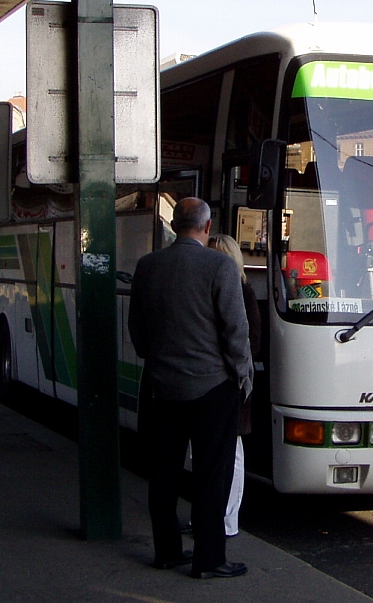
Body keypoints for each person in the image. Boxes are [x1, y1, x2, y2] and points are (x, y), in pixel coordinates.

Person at [128, 197, 251, 580]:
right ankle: (209, 558)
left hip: (162, 387)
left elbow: (138, 329)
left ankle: (166, 551)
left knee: (163, 474)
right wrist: (243, 375)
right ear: (207, 226)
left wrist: (156, 356)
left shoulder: (148, 266)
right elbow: (236, 330)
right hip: (213, 388)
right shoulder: (220, 266)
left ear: (174, 225)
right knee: (211, 476)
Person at [208, 234, 261, 538]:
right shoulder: (215, 289)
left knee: (232, 452)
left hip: (235, 383)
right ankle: (214, 514)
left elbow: (252, 343)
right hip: (220, 382)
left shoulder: (244, 293)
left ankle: (227, 519)